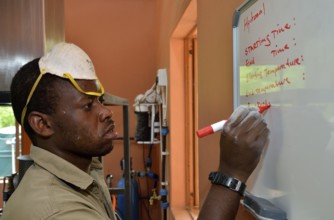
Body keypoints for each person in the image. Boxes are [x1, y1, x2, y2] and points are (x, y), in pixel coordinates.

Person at [1, 42, 269, 220]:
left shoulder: (82, 170)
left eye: (100, 101)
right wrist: (231, 173)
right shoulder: (57, 212)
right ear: (43, 124)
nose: (105, 111)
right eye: (87, 106)